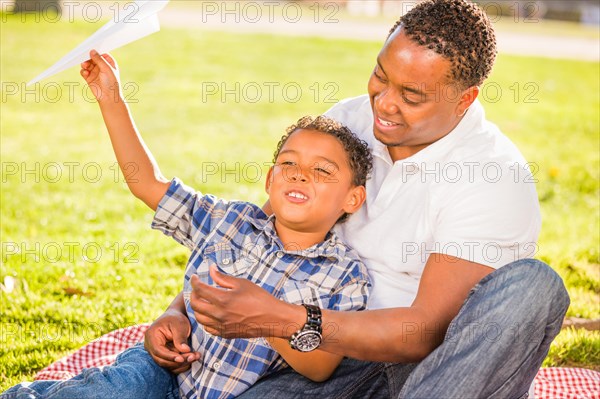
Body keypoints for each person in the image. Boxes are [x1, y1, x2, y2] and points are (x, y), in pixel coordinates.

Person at [142, 1, 570, 398]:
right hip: (312, 357)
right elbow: (257, 236)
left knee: (536, 286)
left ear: (465, 99)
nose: (383, 103)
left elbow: (420, 334)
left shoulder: (493, 177)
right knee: (138, 378)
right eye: (381, 76)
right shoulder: (348, 122)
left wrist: (283, 318)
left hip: (421, 373)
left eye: (412, 96)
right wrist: (179, 310)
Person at [1, 49, 375, 398]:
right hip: (159, 371)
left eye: (322, 170)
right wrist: (110, 96)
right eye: (288, 164)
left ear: (352, 199)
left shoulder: (346, 274)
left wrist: (267, 320)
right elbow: (147, 184)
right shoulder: (228, 222)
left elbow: (321, 367)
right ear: (269, 180)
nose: (299, 175)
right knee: (114, 391)